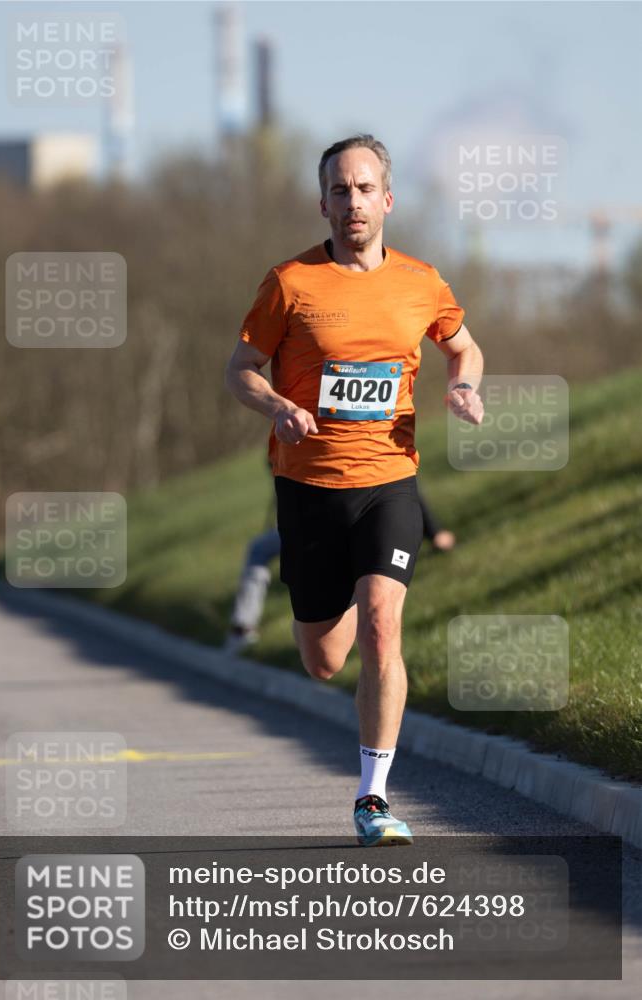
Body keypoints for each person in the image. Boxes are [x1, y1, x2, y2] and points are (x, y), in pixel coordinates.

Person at [225, 134, 484, 846]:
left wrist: (461, 383)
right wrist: (277, 404)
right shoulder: (290, 284)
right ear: (323, 203)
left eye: (364, 188)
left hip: (389, 481)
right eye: (339, 191)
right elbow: (240, 367)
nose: (352, 202)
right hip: (308, 489)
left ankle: (372, 797)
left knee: (380, 622)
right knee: (324, 660)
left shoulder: (420, 282)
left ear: (387, 199)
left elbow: (462, 344)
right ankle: (316, 606)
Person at [224, 485, 455, 654]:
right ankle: (244, 627)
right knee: (322, 659)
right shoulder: (286, 435)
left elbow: (405, 492)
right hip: (311, 521)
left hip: (361, 515)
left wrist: (434, 532)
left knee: (378, 626)